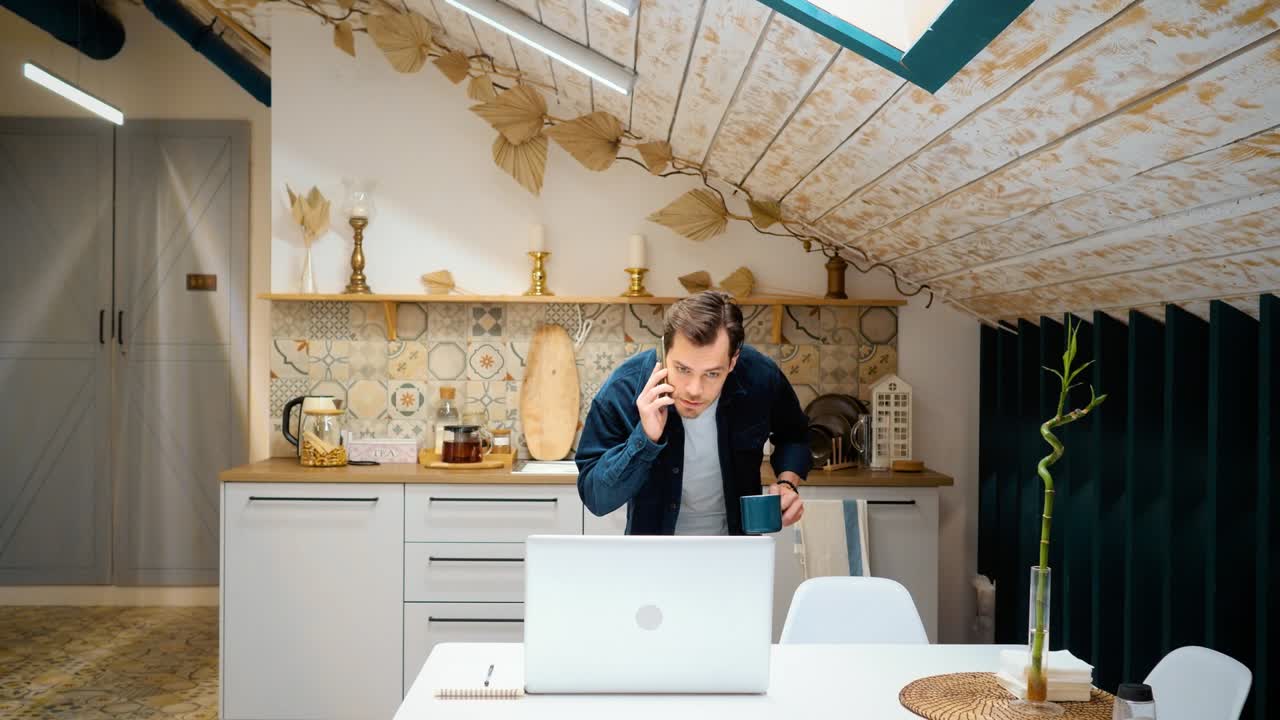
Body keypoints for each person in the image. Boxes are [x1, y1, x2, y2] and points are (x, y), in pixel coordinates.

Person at [576, 290, 809, 535]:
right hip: (652, 553)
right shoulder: (625, 388)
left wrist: (786, 483)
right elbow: (596, 498)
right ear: (665, 350)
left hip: (738, 549)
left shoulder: (760, 377)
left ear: (732, 361)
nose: (694, 390)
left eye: (712, 374)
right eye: (683, 369)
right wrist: (644, 439)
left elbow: (795, 435)